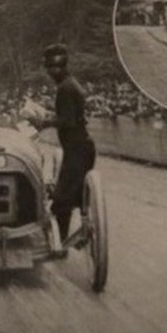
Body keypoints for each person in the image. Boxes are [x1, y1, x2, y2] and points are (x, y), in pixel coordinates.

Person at [29, 45, 96, 245]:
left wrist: (44, 122)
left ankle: (61, 241)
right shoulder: (71, 84)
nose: (50, 73)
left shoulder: (65, 89)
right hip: (80, 147)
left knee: (61, 201)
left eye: (52, 68)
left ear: (58, 67)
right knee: (71, 197)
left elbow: (68, 120)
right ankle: (68, 236)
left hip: (77, 149)